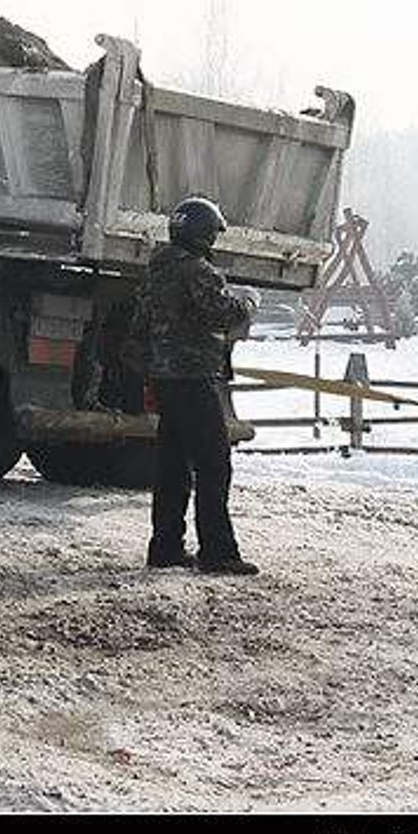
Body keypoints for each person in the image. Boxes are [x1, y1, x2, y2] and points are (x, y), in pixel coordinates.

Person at [124, 195, 259, 575]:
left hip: (166, 378)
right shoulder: (196, 271)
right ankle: (218, 552)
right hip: (194, 378)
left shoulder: (157, 270)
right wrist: (247, 304)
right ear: (202, 235)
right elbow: (220, 315)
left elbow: (137, 330)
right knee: (214, 464)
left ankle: (165, 547)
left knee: (172, 467)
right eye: (213, 234)